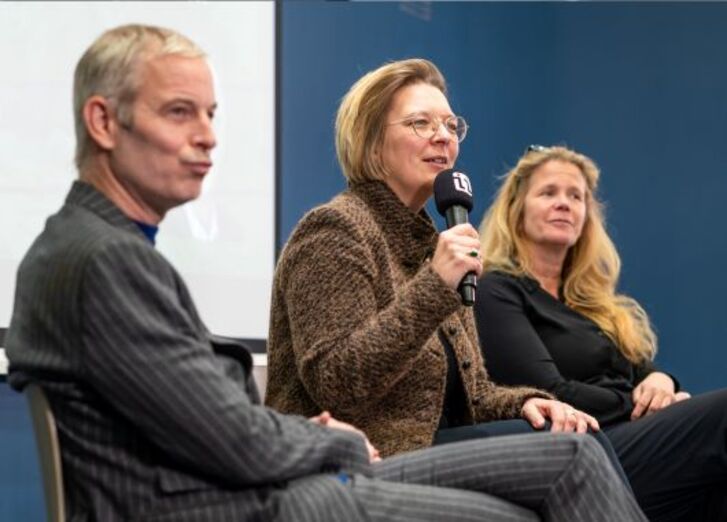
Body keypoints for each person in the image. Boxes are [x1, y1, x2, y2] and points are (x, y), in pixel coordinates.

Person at [3, 26, 647, 522]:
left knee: (568, 458)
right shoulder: (104, 261)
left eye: (212, 115)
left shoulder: (100, 248)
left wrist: (530, 400)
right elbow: (237, 436)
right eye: (180, 113)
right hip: (238, 503)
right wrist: (328, 442)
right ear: (103, 121)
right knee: (552, 480)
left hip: (254, 484)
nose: (207, 138)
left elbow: (214, 418)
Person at [264, 58, 614, 460]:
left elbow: (474, 397)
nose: (443, 137)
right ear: (372, 140)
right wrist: (434, 286)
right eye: (421, 124)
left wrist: (526, 404)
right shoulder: (335, 231)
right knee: (572, 454)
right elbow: (339, 383)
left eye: (451, 125)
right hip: (366, 462)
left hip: (434, 451)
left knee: (574, 434)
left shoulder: (440, 244)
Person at [475, 144, 727, 522]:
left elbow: (642, 369)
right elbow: (551, 393)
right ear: (517, 211)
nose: (564, 204)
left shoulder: (595, 304)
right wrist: (640, 407)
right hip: (586, 448)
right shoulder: (496, 291)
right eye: (549, 193)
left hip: (634, 439)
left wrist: (661, 380)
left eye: (576, 196)